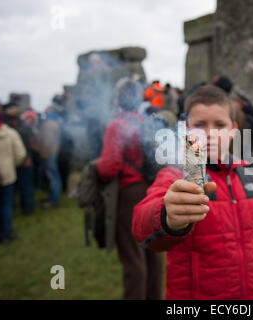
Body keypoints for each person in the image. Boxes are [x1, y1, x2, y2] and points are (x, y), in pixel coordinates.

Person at [133, 85, 253, 300]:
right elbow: (141, 223)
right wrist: (167, 215)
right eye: (200, 125)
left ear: (233, 130)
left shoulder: (247, 177)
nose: (210, 133)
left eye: (220, 125)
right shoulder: (176, 174)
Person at [97, 78, 163, 300]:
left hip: (130, 194)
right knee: (153, 252)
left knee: (133, 257)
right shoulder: (146, 121)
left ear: (118, 100)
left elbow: (108, 168)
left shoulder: (116, 126)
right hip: (152, 189)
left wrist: (95, 168)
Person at [0, 108, 26, 243]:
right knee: (7, 205)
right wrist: (11, 165)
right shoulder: (11, 134)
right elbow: (20, 155)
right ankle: (6, 234)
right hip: (8, 175)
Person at [15, 111, 39, 215]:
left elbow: (33, 146)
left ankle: (28, 208)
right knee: (26, 186)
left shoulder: (23, 130)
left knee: (26, 186)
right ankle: (28, 207)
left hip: (24, 161)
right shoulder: (26, 130)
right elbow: (34, 146)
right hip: (25, 160)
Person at [38, 106, 62, 209]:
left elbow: (47, 141)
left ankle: (54, 200)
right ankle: (53, 197)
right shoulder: (54, 123)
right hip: (52, 152)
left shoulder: (49, 124)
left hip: (48, 153)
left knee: (53, 177)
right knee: (53, 176)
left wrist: (44, 154)